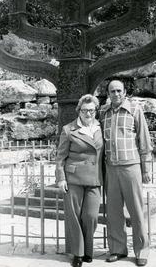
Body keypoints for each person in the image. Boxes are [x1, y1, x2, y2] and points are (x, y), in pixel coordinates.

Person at [99, 80, 152, 266]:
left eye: (119, 90)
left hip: (131, 166)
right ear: (108, 93)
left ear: (125, 92)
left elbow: (144, 141)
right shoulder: (102, 113)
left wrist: (145, 168)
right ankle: (117, 249)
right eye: (112, 91)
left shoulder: (135, 110)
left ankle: (142, 250)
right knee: (113, 212)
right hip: (111, 168)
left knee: (136, 210)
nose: (116, 94)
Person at [55, 94, 104, 267]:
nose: (88, 114)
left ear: (96, 110)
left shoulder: (101, 128)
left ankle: (88, 250)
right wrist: (61, 178)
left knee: (90, 216)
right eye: (84, 110)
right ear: (79, 111)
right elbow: (60, 157)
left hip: (94, 178)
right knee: (74, 217)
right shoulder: (69, 129)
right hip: (73, 178)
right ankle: (78, 253)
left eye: (91, 110)